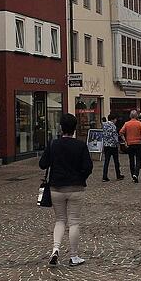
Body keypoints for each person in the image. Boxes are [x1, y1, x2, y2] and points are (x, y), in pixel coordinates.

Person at [39, 113, 93, 268]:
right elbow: (88, 167)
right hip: (76, 187)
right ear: (74, 128)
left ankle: (55, 249)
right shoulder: (80, 145)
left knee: (60, 220)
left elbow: (43, 164)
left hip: (56, 187)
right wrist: (81, 177)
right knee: (74, 222)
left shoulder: (53, 144)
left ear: (61, 128)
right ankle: (74, 256)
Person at [119, 110, 141, 183]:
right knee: (139, 160)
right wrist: (140, 139)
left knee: (131, 160)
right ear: (137, 116)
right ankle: (136, 174)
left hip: (130, 144)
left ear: (130, 116)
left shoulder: (127, 124)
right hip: (138, 144)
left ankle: (133, 174)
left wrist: (125, 141)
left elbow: (121, 132)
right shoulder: (140, 124)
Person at [102, 114, 124, 181]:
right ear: (112, 119)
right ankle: (118, 175)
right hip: (113, 146)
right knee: (116, 161)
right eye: (115, 119)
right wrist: (118, 143)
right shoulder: (113, 126)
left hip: (106, 145)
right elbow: (115, 136)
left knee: (106, 161)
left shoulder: (104, 125)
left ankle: (104, 176)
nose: (116, 120)